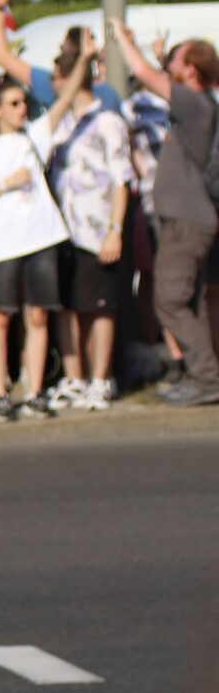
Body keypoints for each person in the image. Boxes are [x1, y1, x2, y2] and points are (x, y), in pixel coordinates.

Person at [111, 22, 219, 406]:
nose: (169, 60)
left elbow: (143, 74)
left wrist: (124, 38)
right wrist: (162, 58)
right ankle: (202, 374)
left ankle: (206, 376)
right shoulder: (198, 104)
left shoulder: (194, 102)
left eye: (176, 57)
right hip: (190, 218)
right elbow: (162, 74)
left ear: (191, 70)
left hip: (186, 220)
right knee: (189, 301)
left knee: (169, 301)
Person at [0, 80, 69, 422]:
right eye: (14, 103)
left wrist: (82, 61)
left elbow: (63, 103)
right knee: (1, 313)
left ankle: (35, 390)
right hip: (3, 242)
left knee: (38, 314)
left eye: (24, 103)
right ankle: (0, 393)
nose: (22, 109)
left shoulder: (32, 137)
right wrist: (8, 183)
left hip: (40, 236)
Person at [41, 33, 130, 413]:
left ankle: (100, 379)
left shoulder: (109, 121)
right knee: (69, 308)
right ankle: (75, 378)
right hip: (63, 233)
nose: (52, 83)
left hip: (97, 232)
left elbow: (123, 180)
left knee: (100, 307)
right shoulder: (57, 127)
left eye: (56, 76)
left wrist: (115, 230)